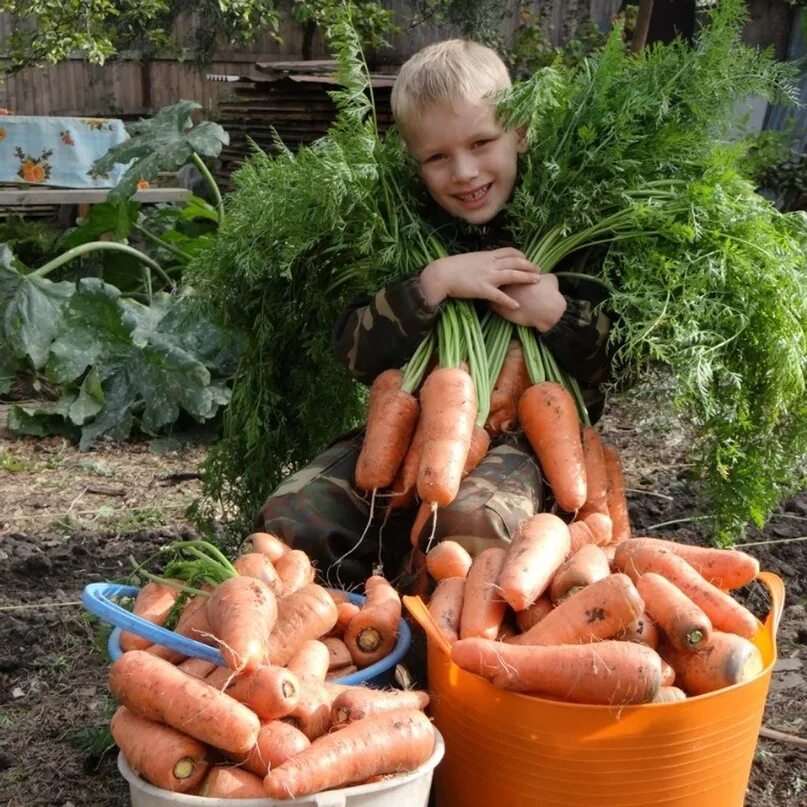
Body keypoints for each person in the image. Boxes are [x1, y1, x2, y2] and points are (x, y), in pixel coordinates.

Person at [256, 39, 613, 590]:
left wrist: (556, 314)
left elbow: (620, 362)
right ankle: (340, 624)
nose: (465, 172)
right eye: (438, 157)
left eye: (482, 142)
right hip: (416, 429)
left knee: (470, 521)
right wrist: (433, 283)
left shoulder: (571, 222)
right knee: (297, 511)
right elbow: (354, 353)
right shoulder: (398, 226)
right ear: (412, 158)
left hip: (534, 442)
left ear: (520, 131)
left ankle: (442, 641)